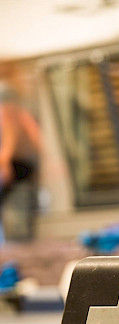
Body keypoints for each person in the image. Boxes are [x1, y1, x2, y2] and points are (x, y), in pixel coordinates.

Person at [0, 62, 42, 243]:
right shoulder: (17, 97)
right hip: (23, 166)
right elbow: (31, 129)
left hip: (15, 165)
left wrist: (4, 159)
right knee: (20, 222)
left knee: (16, 223)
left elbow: (10, 123)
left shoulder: (5, 92)